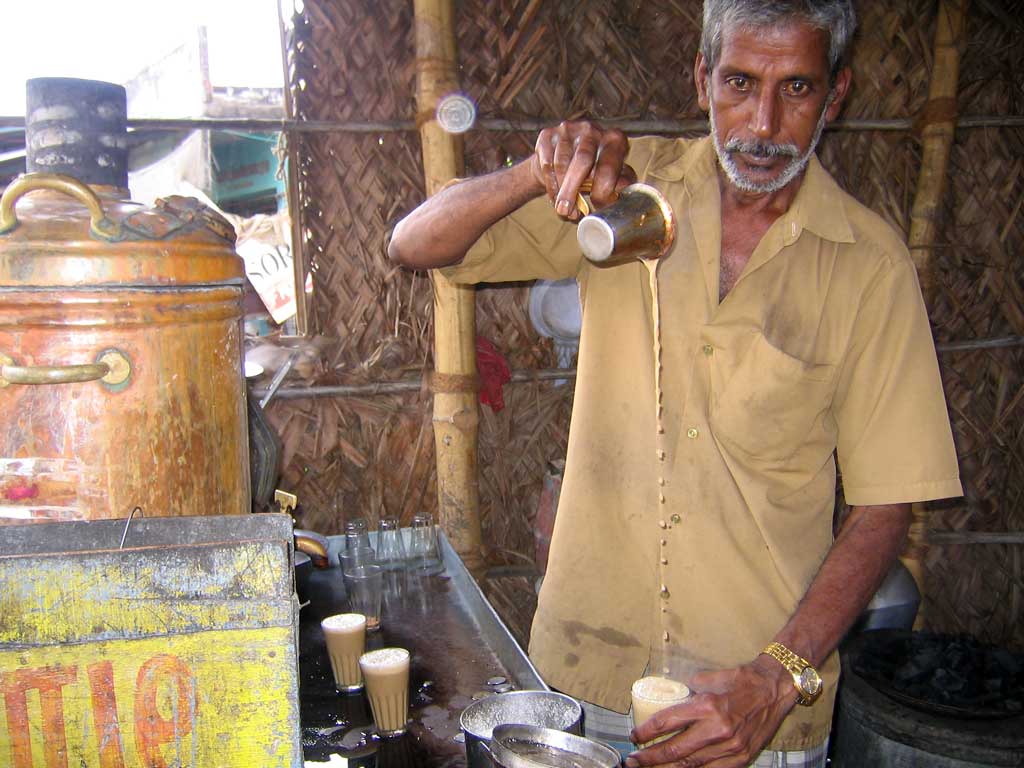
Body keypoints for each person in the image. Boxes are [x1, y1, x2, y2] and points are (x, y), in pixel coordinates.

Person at [389, 1, 962, 766]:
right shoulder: (622, 190)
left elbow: (884, 507)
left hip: (747, 712)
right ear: (701, 79)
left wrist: (778, 676)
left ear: (837, 94)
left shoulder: (870, 265)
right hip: (581, 687)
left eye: (796, 88)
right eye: (738, 82)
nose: (762, 123)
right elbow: (415, 242)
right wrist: (539, 171)